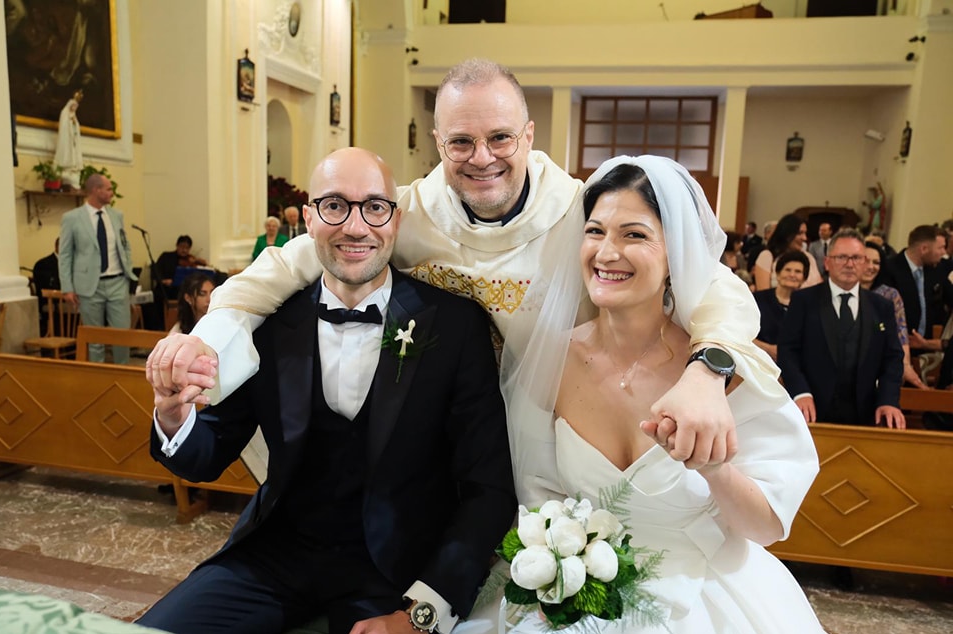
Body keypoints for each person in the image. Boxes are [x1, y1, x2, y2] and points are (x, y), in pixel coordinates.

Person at [148, 58, 772, 507]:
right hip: (435, 445)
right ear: (438, 143)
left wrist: (707, 372)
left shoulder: (582, 214)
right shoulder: (407, 213)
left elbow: (716, 288)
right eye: (461, 142)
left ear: (528, 136)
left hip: (549, 448)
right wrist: (207, 338)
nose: (483, 158)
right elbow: (283, 268)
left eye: (500, 138)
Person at [139, 148, 516, 634]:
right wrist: (173, 417)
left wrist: (421, 614)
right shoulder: (269, 322)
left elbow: (487, 489)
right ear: (309, 219)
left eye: (374, 207)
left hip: (396, 572)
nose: (356, 227)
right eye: (335, 206)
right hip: (275, 556)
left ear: (395, 221)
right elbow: (208, 454)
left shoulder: (454, 325)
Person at [497, 156, 827, 634]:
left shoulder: (723, 370)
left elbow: (768, 528)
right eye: (595, 231)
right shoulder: (551, 361)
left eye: (634, 235)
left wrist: (715, 469)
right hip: (585, 599)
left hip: (705, 596)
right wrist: (555, 568)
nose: (607, 252)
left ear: (677, 254)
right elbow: (538, 494)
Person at [778, 229, 905, 428]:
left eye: (856, 258)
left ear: (864, 263)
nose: (849, 264)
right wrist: (800, 393)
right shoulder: (804, 301)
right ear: (827, 262)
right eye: (842, 257)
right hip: (811, 411)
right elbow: (788, 351)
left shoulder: (881, 306)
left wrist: (888, 400)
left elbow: (893, 358)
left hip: (865, 414)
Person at [59, 173, 137, 363]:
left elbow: (124, 244)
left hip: (117, 281)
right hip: (89, 285)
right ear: (96, 190)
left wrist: (127, 267)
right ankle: (98, 375)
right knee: (95, 338)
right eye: (108, 189)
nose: (112, 193)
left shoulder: (116, 215)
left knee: (122, 335)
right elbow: (65, 254)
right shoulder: (72, 218)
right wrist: (67, 287)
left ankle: (123, 373)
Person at [860, 241, 929, 390]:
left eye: (876, 262)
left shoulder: (890, 295)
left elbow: (901, 334)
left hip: (879, 365)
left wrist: (905, 366)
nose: (871, 267)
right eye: (866, 260)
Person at [879, 224, 953, 354]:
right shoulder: (889, 269)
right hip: (893, 347)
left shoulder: (937, 269)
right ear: (924, 249)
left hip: (925, 350)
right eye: (940, 248)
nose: (944, 253)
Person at [753, 249, 810, 362]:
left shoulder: (808, 305)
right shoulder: (757, 299)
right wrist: (767, 349)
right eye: (787, 270)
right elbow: (742, 335)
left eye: (798, 271)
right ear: (778, 274)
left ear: (804, 279)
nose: (792, 275)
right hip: (758, 360)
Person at [753, 213, 823, 291]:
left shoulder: (809, 257)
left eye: (805, 233)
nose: (804, 238)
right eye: (800, 233)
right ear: (787, 234)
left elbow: (819, 287)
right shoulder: (767, 256)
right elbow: (764, 294)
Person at [54, 89, 83, 189]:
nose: (74, 108)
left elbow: (76, 128)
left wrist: (75, 124)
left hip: (73, 141)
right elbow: (64, 127)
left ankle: (73, 171)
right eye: (73, 106)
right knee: (67, 153)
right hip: (67, 141)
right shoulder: (64, 114)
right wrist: (70, 122)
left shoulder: (74, 116)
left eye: (76, 107)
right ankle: (66, 170)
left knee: (74, 155)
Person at [32, 238, 61, 336]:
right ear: (57, 246)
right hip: (53, 302)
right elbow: (43, 289)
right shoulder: (43, 265)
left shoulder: (75, 263)